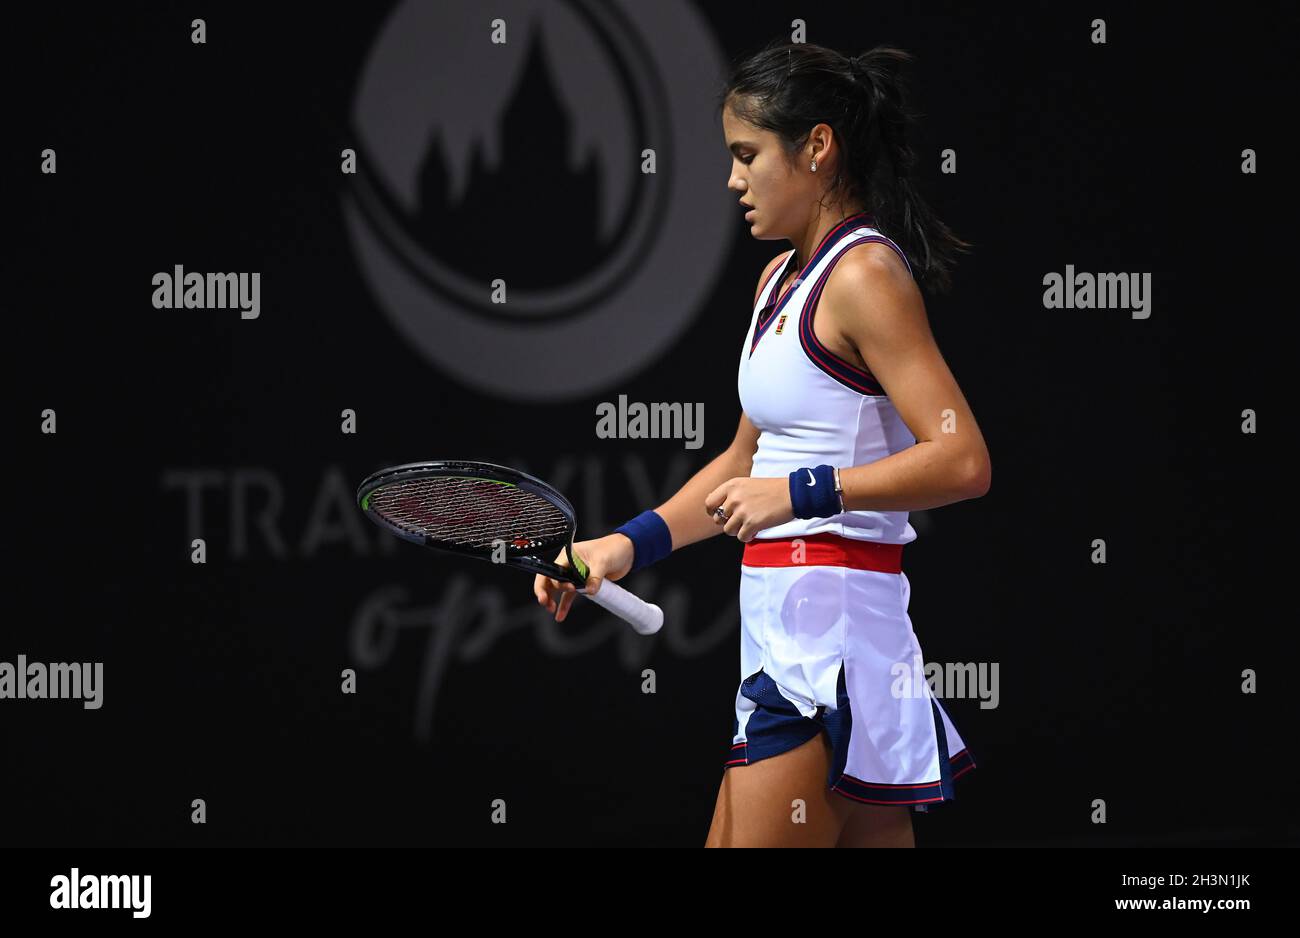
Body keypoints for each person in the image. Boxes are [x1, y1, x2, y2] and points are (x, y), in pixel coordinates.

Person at [533, 42, 990, 847]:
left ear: (816, 148)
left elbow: (962, 460)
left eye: (747, 155)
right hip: (788, 643)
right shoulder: (778, 280)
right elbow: (744, 464)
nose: (734, 179)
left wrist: (802, 492)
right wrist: (622, 546)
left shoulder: (864, 275)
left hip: (832, 646)